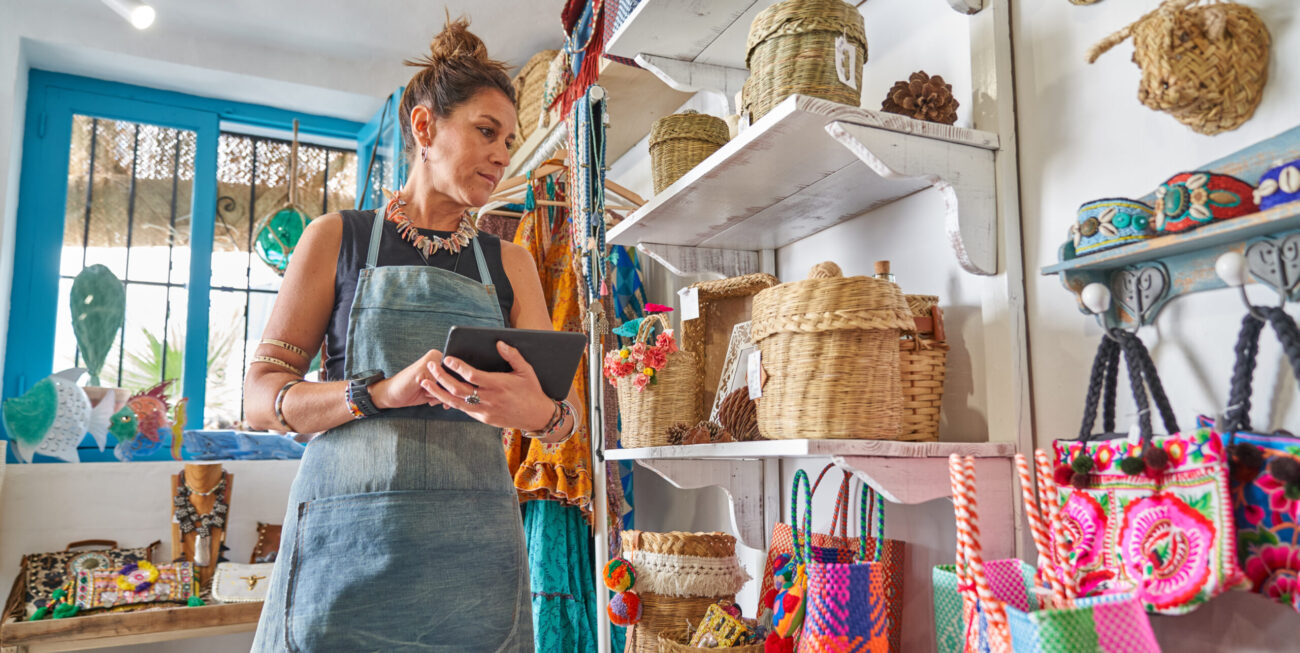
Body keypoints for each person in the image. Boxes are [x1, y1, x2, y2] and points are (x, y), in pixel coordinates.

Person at [246, 17, 576, 652]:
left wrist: (540, 415)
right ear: (425, 127)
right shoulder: (334, 240)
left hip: (472, 559)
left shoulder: (511, 264)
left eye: (511, 139)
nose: (504, 154)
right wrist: (378, 393)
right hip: (344, 548)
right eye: (486, 132)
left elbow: (566, 417)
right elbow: (261, 398)